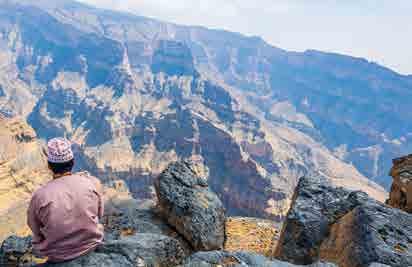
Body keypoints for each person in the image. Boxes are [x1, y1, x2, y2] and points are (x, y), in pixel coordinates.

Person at [27, 138, 104, 263]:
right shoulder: (92, 183)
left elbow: (35, 228)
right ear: (73, 162)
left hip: (58, 255)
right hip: (91, 245)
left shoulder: (40, 196)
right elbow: (99, 214)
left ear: (49, 166)